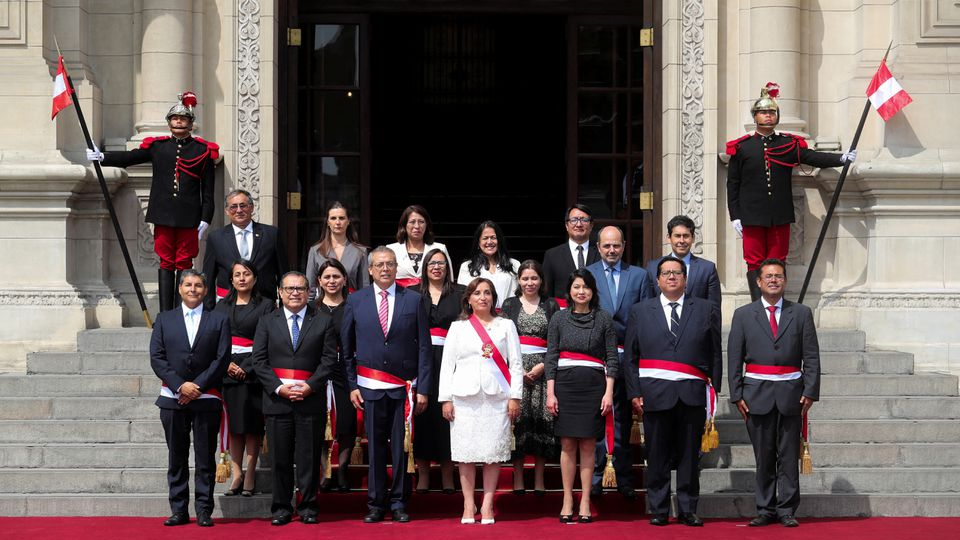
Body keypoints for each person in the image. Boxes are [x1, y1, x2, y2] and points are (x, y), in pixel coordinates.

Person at [88, 92, 220, 312]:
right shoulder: (158, 147)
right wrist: (103, 157)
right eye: (175, 118)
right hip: (163, 214)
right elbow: (131, 158)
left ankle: (184, 311)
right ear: (169, 123)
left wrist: (206, 218)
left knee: (185, 263)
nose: (178, 121)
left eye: (183, 118)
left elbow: (208, 191)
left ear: (190, 123)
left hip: (190, 217)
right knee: (166, 262)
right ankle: (166, 313)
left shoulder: (203, 151)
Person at [726, 83, 856, 300]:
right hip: (751, 215)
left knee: (778, 260)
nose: (768, 116)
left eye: (771, 112)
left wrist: (840, 159)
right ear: (755, 116)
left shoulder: (787, 144)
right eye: (763, 112)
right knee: (754, 261)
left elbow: (812, 157)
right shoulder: (742, 148)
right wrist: (735, 216)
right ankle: (759, 307)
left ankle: (777, 306)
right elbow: (733, 184)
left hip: (780, 214)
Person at [623, 257, 722, 527]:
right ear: (657, 280)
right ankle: (659, 508)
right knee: (657, 454)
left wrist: (715, 391)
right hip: (654, 394)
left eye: (677, 273)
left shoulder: (705, 309)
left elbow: (714, 352)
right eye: (665, 273)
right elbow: (631, 357)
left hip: (692, 394)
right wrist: (634, 392)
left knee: (690, 455)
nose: (671, 277)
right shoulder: (641, 310)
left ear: (686, 278)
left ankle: (688, 508)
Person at [341, 246, 433, 524]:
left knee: (401, 448)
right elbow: (347, 348)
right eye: (379, 265)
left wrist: (424, 389)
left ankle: (399, 502)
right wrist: (352, 385)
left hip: (403, 389)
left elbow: (425, 348)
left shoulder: (414, 300)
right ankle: (376, 503)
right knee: (376, 447)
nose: (384, 269)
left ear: (396, 268)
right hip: (369, 387)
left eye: (390, 264)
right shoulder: (356, 301)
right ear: (369, 270)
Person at [727, 258, 820, 528]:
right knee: (764, 456)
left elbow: (811, 356)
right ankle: (765, 508)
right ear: (758, 282)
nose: (773, 280)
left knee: (789, 456)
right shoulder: (744, 314)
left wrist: (811, 391)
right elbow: (735, 357)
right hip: (756, 394)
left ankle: (787, 509)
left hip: (792, 394)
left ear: (785, 281)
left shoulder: (801, 313)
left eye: (778, 276)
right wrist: (736, 394)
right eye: (768, 276)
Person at [251, 271, 339, 526]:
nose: (294, 293)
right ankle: (281, 507)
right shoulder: (267, 321)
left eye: (300, 288)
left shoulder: (322, 321)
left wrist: (310, 386)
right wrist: (279, 388)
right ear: (280, 292)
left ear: (309, 291)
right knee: (280, 457)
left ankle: (309, 505)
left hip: (309, 399)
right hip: (278, 400)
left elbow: (328, 360)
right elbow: (259, 360)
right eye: (289, 288)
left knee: (308, 457)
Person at [439, 277, 523, 525]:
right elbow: (447, 366)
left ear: (494, 297)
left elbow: (516, 365)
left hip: (497, 398)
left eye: (487, 293)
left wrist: (515, 396)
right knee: (465, 454)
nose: (482, 297)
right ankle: (467, 502)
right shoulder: (458, 327)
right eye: (477, 293)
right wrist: (445, 399)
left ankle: (487, 504)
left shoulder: (506, 326)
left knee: (491, 454)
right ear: (468, 299)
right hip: (464, 398)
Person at [149, 269, 230, 527]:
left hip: (206, 398)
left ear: (205, 290)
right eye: (188, 285)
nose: (193, 289)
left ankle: (204, 510)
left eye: (198, 285)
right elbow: (157, 357)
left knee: (205, 457)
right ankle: (179, 510)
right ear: (180, 289)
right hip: (172, 398)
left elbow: (222, 358)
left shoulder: (218, 320)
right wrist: (180, 386)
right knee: (177, 457)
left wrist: (196, 386)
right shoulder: (164, 319)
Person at [545, 268, 618, 523]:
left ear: (592, 291)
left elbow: (611, 357)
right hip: (564, 386)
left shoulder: (604, 318)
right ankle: (567, 498)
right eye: (576, 287)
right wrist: (550, 393)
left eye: (586, 287)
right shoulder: (558, 319)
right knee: (567, 444)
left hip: (594, 387)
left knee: (588, 444)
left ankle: (585, 499)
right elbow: (551, 356)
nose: (581, 291)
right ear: (570, 291)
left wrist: (609, 392)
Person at [587, 226, 654, 499]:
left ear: (624, 246)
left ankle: (625, 477)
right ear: (599, 247)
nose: (611, 250)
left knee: (624, 421)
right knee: (596, 419)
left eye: (616, 246)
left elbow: (648, 316)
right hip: (596, 358)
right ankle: (596, 476)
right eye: (606, 246)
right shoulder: (587, 275)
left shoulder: (639, 276)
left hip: (629, 358)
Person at [213, 260, 274, 498]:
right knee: (234, 427)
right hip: (227, 371)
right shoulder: (220, 307)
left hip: (254, 372)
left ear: (255, 278)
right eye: (237, 274)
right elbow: (216, 339)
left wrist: (247, 367)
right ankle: (236, 473)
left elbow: (265, 339)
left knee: (252, 426)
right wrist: (226, 363)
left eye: (246, 274)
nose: (241, 278)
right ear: (231, 279)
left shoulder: (266, 305)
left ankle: (250, 473)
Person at [500, 260, 561, 495]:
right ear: (518, 280)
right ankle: (518, 478)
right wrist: (516, 369)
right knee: (519, 423)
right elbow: (502, 339)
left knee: (541, 424)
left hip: (543, 372)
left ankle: (539, 479)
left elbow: (556, 341)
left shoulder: (551, 305)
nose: (529, 283)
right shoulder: (510, 304)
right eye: (525, 278)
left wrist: (542, 367)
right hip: (515, 371)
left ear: (541, 281)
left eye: (534, 278)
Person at [414, 248, 464, 494]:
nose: (436, 267)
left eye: (441, 263)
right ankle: (422, 473)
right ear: (425, 267)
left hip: (452, 360)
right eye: (432, 263)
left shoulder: (460, 293)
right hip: (420, 361)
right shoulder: (412, 294)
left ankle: (447, 472)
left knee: (448, 416)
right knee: (422, 415)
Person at [314, 259, 360, 493]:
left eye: (336, 277)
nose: (331, 281)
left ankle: (342, 469)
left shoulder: (354, 306)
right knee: (322, 423)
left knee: (345, 422)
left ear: (344, 280)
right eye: (327, 277)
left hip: (346, 370)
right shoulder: (312, 308)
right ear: (319, 281)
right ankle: (326, 471)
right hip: (318, 371)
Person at [203, 190, 288, 309]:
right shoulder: (216, 237)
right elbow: (208, 277)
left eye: (243, 205)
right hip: (228, 304)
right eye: (233, 207)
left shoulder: (271, 234)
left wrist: (285, 308)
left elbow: (283, 274)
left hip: (264, 304)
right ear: (227, 211)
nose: (239, 210)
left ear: (252, 208)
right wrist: (209, 311)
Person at [645, 215, 719, 314]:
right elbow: (648, 306)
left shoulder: (707, 269)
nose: (682, 241)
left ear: (693, 238)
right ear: (669, 238)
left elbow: (714, 310)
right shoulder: (652, 268)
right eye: (677, 236)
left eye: (686, 236)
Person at [305, 201, 369, 301]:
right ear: (328, 222)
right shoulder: (316, 251)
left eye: (342, 218)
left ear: (348, 221)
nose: (338, 222)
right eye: (333, 218)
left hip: (351, 305)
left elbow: (364, 288)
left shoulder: (360, 252)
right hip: (323, 307)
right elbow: (310, 288)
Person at [542, 204, 600, 303]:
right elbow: (546, 292)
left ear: (591, 225)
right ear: (566, 225)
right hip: (563, 313)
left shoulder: (600, 253)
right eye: (574, 220)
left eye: (584, 220)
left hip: (595, 312)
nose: (579, 224)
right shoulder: (552, 255)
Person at [456, 220, 520, 309]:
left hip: (508, 317)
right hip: (478, 317)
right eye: (485, 238)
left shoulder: (514, 264)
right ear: (478, 243)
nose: (489, 242)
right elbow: (462, 297)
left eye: (493, 237)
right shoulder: (467, 267)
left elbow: (521, 294)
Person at [386, 205, 451, 288]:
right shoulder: (392, 249)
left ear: (427, 225)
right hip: (400, 297)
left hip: (431, 297)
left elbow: (449, 278)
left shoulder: (439, 248)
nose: (417, 226)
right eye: (412, 222)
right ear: (404, 225)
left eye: (421, 222)